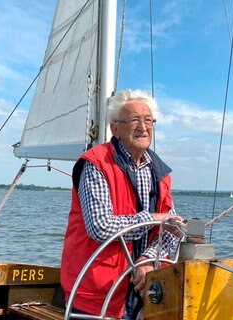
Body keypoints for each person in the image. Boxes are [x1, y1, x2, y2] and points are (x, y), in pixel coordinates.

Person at [60, 89, 183, 318]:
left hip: (142, 293)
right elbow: (100, 227)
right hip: (97, 294)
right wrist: (154, 218)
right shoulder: (96, 164)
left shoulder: (160, 173)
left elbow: (171, 229)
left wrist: (147, 261)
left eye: (148, 120)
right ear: (114, 128)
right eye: (134, 120)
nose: (143, 127)